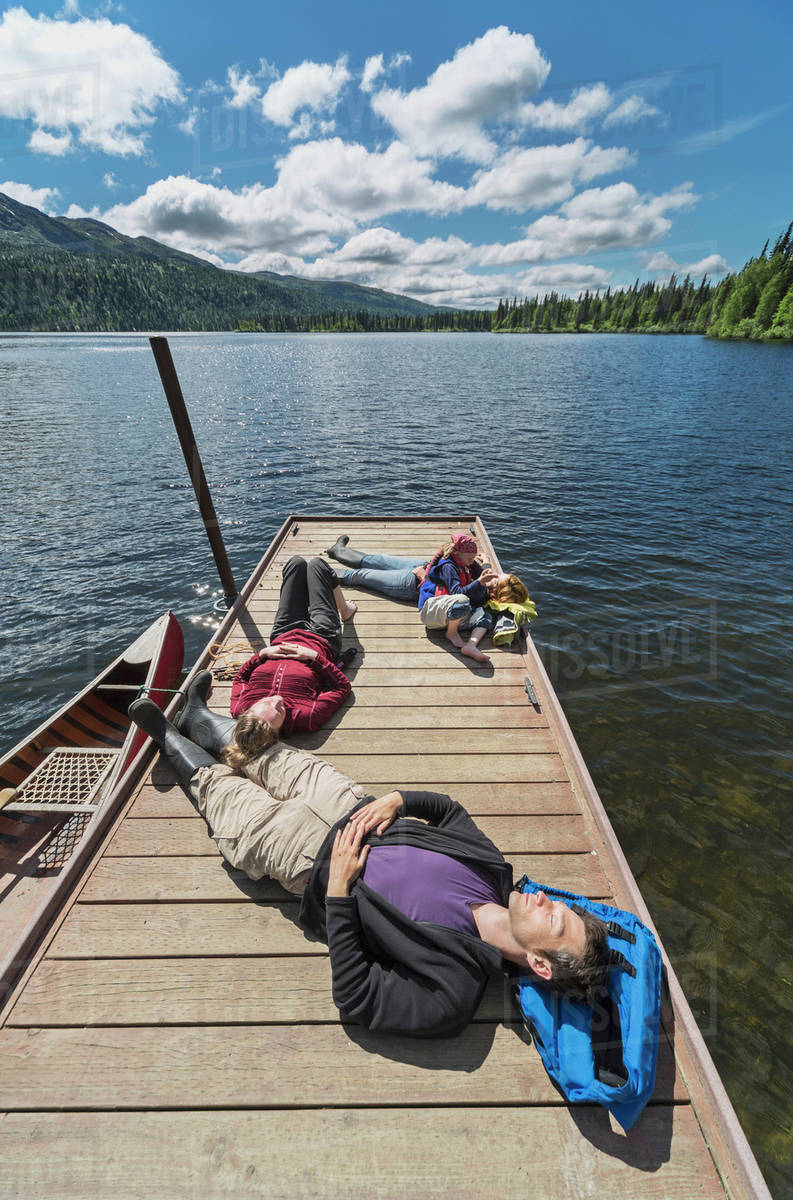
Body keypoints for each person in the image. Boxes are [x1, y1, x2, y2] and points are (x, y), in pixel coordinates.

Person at [130, 682, 610, 1038]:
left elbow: (356, 999)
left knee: (223, 792)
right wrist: (397, 800)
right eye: (560, 906)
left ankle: (168, 739)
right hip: (350, 805)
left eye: (555, 919)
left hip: (307, 857)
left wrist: (338, 893)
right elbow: (448, 810)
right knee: (267, 755)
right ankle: (197, 717)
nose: (548, 898)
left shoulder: (452, 990)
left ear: (539, 965)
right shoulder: (494, 871)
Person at [212, 555, 356, 738]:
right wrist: (314, 657)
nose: (278, 700)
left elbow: (240, 679)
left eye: (265, 703)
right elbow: (342, 687)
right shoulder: (306, 717)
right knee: (318, 565)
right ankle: (345, 610)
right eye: (280, 711)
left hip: (284, 633)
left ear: (250, 711)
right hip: (322, 638)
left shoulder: (240, 708)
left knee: (295, 564)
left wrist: (262, 654)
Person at [417, 531, 497, 663]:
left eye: (473, 559)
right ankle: (451, 633)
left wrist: (486, 563)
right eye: (469, 559)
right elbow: (456, 592)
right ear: (457, 554)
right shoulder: (448, 566)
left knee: (486, 616)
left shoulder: (466, 562)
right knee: (462, 600)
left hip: (451, 617)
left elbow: (482, 575)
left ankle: (471, 645)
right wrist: (478, 583)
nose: (472, 562)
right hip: (432, 614)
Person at [327, 535, 428, 602]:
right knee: (378, 560)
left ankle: (321, 573)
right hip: (428, 567)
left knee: (362, 575)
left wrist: (423, 576)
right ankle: (338, 551)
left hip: (415, 584)